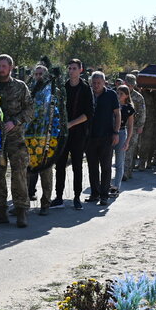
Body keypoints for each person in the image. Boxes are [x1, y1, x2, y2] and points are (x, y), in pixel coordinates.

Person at [0, 54, 34, 228]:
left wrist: (15, 121)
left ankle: (21, 210)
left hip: (15, 138)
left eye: (4, 66)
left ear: (11, 67)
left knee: (19, 173)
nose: (1, 69)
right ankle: (0, 210)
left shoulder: (20, 86)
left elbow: (30, 110)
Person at [53, 59, 94, 210]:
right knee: (60, 165)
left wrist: (71, 124)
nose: (71, 71)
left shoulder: (85, 88)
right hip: (63, 134)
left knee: (77, 165)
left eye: (74, 68)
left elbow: (88, 114)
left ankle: (77, 197)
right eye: (69, 68)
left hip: (79, 133)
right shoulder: (63, 87)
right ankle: (58, 197)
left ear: (80, 70)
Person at [84, 71, 119, 205]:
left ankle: (104, 195)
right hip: (90, 137)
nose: (96, 85)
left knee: (106, 167)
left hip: (106, 136)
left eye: (99, 83)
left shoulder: (111, 94)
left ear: (104, 82)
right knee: (92, 167)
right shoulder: (88, 94)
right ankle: (95, 193)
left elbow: (117, 114)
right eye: (94, 83)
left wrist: (116, 132)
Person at [26, 65, 55, 215]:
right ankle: (23, 203)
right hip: (30, 136)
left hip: (47, 137)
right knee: (27, 170)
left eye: (41, 74)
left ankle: (45, 203)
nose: (38, 76)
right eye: (36, 74)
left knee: (46, 171)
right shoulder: (30, 90)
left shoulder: (53, 91)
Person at [110, 85, 134, 195]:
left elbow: (130, 126)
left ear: (127, 96)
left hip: (121, 133)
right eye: (117, 93)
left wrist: (127, 141)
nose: (118, 95)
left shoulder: (129, 108)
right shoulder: (112, 104)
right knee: (107, 162)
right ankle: (107, 184)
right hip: (110, 133)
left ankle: (116, 187)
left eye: (121, 94)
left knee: (119, 162)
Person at [122, 74, 145, 180]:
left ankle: (126, 172)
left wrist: (141, 125)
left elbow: (142, 112)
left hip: (134, 127)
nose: (130, 87)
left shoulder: (138, 97)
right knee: (121, 150)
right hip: (121, 126)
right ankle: (124, 171)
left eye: (131, 85)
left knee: (130, 150)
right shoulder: (120, 94)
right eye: (128, 84)